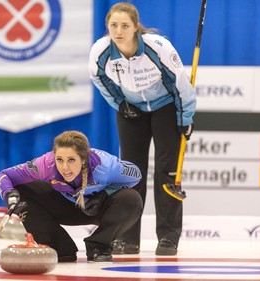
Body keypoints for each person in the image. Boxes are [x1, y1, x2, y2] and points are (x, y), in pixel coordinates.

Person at [89, 2, 196, 256]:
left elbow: (180, 84)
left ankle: (168, 238)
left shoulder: (158, 47)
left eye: (125, 25)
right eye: (113, 25)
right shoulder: (101, 51)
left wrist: (186, 118)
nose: (118, 31)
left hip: (166, 108)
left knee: (166, 172)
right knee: (130, 173)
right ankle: (127, 237)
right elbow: (99, 79)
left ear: (136, 27)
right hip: (131, 111)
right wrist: (120, 103)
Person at [0, 130, 143, 262]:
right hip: (66, 205)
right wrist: (9, 194)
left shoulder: (106, 165)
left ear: (83, 159)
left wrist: (105, 193)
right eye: (60, 160)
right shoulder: (46, 163)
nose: (65, 167)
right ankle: (59, 248)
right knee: (21, 190)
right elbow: (3, 175)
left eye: (71, 160)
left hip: (98, 208)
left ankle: (99, 246)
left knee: (132, 199)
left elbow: (136, 175)